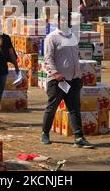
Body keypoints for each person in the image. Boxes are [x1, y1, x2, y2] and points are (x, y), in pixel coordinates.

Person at [41, 8, 93, 148]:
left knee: (75, 109)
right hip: (58, 80)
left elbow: (76, 56)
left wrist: (79, 74)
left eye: (67, 19)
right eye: (62, 19)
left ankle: (79, 137)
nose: (65, 21)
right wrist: (56, 73)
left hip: (74, 80)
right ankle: (45, 133)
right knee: (52, 108)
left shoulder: (72, 37)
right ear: (57, 21)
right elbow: (48, 58)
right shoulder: (52, 37)